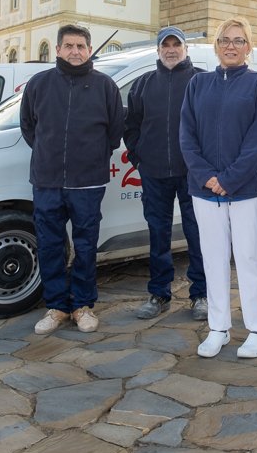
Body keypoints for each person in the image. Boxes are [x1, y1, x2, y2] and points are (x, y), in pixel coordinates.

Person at [180, 18, 257, 359]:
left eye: (238, 40)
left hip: (249, 189)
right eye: (225, 40)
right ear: (216, 45)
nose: (231, 46)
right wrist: (206, 176)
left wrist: (229, 179)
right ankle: (218, 328)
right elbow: (186, 135)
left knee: (249, 258)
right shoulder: (197, 84)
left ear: (248, 46)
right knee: (214, 259)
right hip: (205, 190)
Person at [20, 24, 125, 335]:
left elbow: (115, 131)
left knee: (86, 246)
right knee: (50, 245)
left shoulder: (105, 86)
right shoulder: (39, 84)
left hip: (88, 182)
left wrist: (93, 156)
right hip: (47, 181)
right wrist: (49, 154)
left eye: (81, 46)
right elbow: (28, 127)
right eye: (69, 46)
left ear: (89, 50)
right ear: (58, 49)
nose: (75, 52)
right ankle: (57, 307)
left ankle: (82, 305)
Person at [125, 26, 208, 321]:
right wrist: (139, 157)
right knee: (158, 234)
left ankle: (201, 295)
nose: (171, 50)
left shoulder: (202, 80)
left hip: (192, 173)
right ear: (158, 50)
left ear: (186, 49)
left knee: (197, 234)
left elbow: (212, 125)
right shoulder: (143, 84)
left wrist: (204, 164)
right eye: (166, 45)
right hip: (154, 173)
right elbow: (131, 125)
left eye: (176, 45)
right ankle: (159, 294)